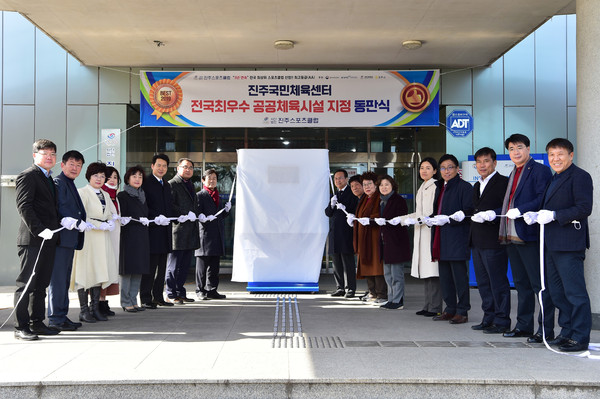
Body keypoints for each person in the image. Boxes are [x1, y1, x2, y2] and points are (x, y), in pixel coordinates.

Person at [530, 138, 592, 352]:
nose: (555, 159)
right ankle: (567, 332)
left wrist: (555, 215)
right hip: (550, 244)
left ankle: (580, 337)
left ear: (571, 155)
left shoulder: (580, 176)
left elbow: (584, 208)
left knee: (574, 292)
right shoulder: (554, 178)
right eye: (551, 155)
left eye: (560, 154)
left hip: (568, 244)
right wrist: (536, 214)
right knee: (557, 293)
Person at [499, 133, 555, 342]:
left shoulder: (539, 170)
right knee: (521, 284)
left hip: (529, 235)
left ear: (529, 149)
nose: (515, 152)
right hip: (511, 235)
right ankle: (523, 326)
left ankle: (545, 329)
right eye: (512, 149)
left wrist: (521, 209)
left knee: (538, 285)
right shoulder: (513, 172)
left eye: (519, 147)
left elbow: (543, 198)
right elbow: (509, 202)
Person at [14, 139, 61, 340]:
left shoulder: (49, 178)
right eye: (45, 153)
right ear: (35, 156)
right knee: (26, 283)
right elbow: (24, 206)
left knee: (41, 283)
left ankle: (37, 322)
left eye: (52, 154)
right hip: (33, 239)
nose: (49, 157)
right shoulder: (28, 176)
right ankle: (20, 326)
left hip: (49, 239)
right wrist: (40, 230)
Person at [469, 147, 511, 334]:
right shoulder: (476, 185)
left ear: (495, 163)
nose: (482, 165)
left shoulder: (503, 182)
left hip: (494, 241)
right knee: (483, 283)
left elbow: (506, 208)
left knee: (498, 282)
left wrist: (491, 215)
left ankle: (502, 320)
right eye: (479, 162)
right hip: (477, 241)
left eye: (486, 161)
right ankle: (489, 317)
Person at [72, 162, 118, 323]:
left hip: (103, 238)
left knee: (99, 272)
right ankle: (84, 311)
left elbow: (111, 212)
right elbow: (81, 216)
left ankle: (95, 308)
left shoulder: (105, 194)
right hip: (89, 237)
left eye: (102, 176)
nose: (99, 179)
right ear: (89, 177)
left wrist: (111, 221)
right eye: (95, 175)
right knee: (86, 272)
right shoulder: (82, 192)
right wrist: (100, 224)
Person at [430, 154, 473, 324]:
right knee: (445, 277)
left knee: (459, 278)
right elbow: (438, 210)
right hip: (441, 238)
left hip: (457, 238)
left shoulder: (465, 187)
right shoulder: (440, 187)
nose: (446, 171)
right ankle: (450, 308)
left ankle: (462, 311)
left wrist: (449, 219)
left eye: (450, 167)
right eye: (443, 168)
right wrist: (430, 218)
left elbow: (468, 211)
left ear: (457, 169)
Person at [48, 150, 86, 331]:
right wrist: (73, 221)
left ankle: (62, 315)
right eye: (72, 164)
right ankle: (55, 318)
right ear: (62, 165)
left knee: (64, 281)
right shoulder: (58, 182)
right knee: (58, 280)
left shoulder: (69, 183)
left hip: (69, 240)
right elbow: (60, 207)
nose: (75, 168)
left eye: (79, 165)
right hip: (61, 239)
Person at [408, 158, 442, 317]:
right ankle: (428, 305)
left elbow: (432, 212)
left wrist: (421, 219)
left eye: (428, 168)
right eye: (422, 168)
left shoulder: (435, 186)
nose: (424, 171)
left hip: (430, 232)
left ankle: (435, 307)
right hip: (421, 232)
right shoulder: (422, 186)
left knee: (433, 272)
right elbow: (419, 213)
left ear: (435, 171)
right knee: (426, 272)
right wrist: (402, 219)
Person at [140, 154, 175, 308]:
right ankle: (146, 298)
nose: (161, 168)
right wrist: (155, 216)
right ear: (152, 166)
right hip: (152, 231)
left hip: (166, 231)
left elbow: (169, 206)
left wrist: (179, 216)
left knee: (162, 268)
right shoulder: (146, 183)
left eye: (164, 166)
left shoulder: (166, 185)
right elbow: (144, 206)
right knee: (150, 267)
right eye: (159, 165)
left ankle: (158, 296)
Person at [166, 158, 199, 304]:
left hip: (190, 231)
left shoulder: (190, 184)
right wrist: (184, 214)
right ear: (178, 168)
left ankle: (180, 292)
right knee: (173, 265)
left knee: (185, 266)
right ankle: (170, 293)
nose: (188, 170)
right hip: (177, 231)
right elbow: (170, 206)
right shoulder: (173, 184)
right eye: (185, 167)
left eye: (191, 167)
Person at [375, 174, 411, 309]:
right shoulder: (381, 201)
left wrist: (388, 223)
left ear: (392, 186)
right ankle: (391, 299)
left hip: (396, 242)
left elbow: (401, 219)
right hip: (385, 243)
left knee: (396, 274)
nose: (384, 187)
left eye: (387, 185)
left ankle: (398, 301)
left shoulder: (398, 200)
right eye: (381, 185)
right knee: (388, 274)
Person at [118, 166, 150, 312]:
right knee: (127, 270)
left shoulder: (143, 195)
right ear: (128, 179)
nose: (137, 179)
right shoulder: (123, 196)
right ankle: (125, 301)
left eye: (140, 177)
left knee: (138, 269)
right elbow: (121, 217)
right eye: (134, 176)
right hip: (129, 237)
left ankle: (133, 300)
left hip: (142, 237)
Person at [195, 168, 231, 300]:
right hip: (205, 235)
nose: (212, 180)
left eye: (214, 178)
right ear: (203, 180)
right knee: (202, 266)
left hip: (217, 235)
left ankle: (212, 290)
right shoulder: (200, 195)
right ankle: (200, 290)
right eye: (209, 178)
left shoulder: (218, 196)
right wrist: (201, 216)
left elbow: (220, 216)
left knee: (214, 267)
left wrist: (226, 210)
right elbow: (196, 213)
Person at [352, 171, 387, 305]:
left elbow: (381, 214)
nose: (367, 187)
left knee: (376, 267)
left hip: (374, 237)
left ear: (376, 185)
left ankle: (382, 294)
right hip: (364, 238)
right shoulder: (365, 199)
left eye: (369, 184)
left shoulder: (379, 197)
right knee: (366, 265)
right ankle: (372, 292)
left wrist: (370, 220)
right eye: (364, 184)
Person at [325, 169, 358, 298]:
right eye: (336, 179)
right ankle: (340, 287)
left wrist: (345, 208)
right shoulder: (335, 194)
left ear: (346, 179)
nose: (338, 181)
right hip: (335, 233)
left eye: (340, 178)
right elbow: (328, 213)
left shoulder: (351, 192)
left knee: (348, 262)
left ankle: (350, 288)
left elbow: (354, 210)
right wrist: (332, 204)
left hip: (346, 233)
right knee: (336, 262)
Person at [100, 166, 122, 316]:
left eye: (115, 177)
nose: (112, 180)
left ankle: (103, 302)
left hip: (115, 237)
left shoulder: (115, 195)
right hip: (103, 238)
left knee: (110, 270)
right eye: (109, 177)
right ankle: (98, 303)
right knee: (102, 270)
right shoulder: (102, 194)